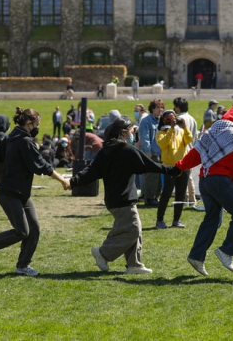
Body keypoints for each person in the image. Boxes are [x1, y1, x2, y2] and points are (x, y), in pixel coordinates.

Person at [0, 107, 71, 277]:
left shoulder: (11, 137)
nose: (37, 127)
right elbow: (42, 165)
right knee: (22, 231)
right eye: (37, 124)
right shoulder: (23, 141)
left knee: (33, 229)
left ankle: (22, 266)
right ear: (29, 123)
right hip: (9, 193)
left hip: (22, 194)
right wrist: (63, 180)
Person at [70, 118, 180, 274]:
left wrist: (74, 181)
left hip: (113, 199)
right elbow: (151, 166)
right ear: (123, 132)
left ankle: (134, 264)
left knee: (135, 229)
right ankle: (103, 253)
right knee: (133, 230)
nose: (133, 133)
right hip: (123, 199)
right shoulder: (127, 150)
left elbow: (90, 172)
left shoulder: (105, 150)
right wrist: (173, 171)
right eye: (132, 130)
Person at [176, 103, 233, 275]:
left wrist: (179, 166)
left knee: (212, 219)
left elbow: (194, 154)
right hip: (222, 180)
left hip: (205, 181)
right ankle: (226, 251)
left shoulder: (212, 131)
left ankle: (196, 256)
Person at [155, 110, 192, 229]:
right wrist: (171, 129)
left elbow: (189, 139)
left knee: (180, 195)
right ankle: (159, 220)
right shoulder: (160, 133)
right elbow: (163, 143)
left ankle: (177, 219)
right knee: (166, 194)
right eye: (168, 118)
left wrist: (185, 127)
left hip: (183, 166)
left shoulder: (181, 132)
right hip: (169, 167)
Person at [138, 99, 165, 207]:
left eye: (162, 107)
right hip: (151, 153)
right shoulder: (146, 120)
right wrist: (148, 152)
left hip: (161, 153)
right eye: (158, 107)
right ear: (152, 109)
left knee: (158, 178)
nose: (160, 110)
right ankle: (149, 198)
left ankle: (155, 197)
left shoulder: (161, 121)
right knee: (151, 177)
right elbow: (145, 138)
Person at [173, 97, 199, 206]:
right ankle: (192, 199)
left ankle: (186, 198)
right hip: (191, 149)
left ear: (178, 108)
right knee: (189, 176)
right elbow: (196, 136)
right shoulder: (192, 118)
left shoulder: (179, 119)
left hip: (182, 150)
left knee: (183, 177)